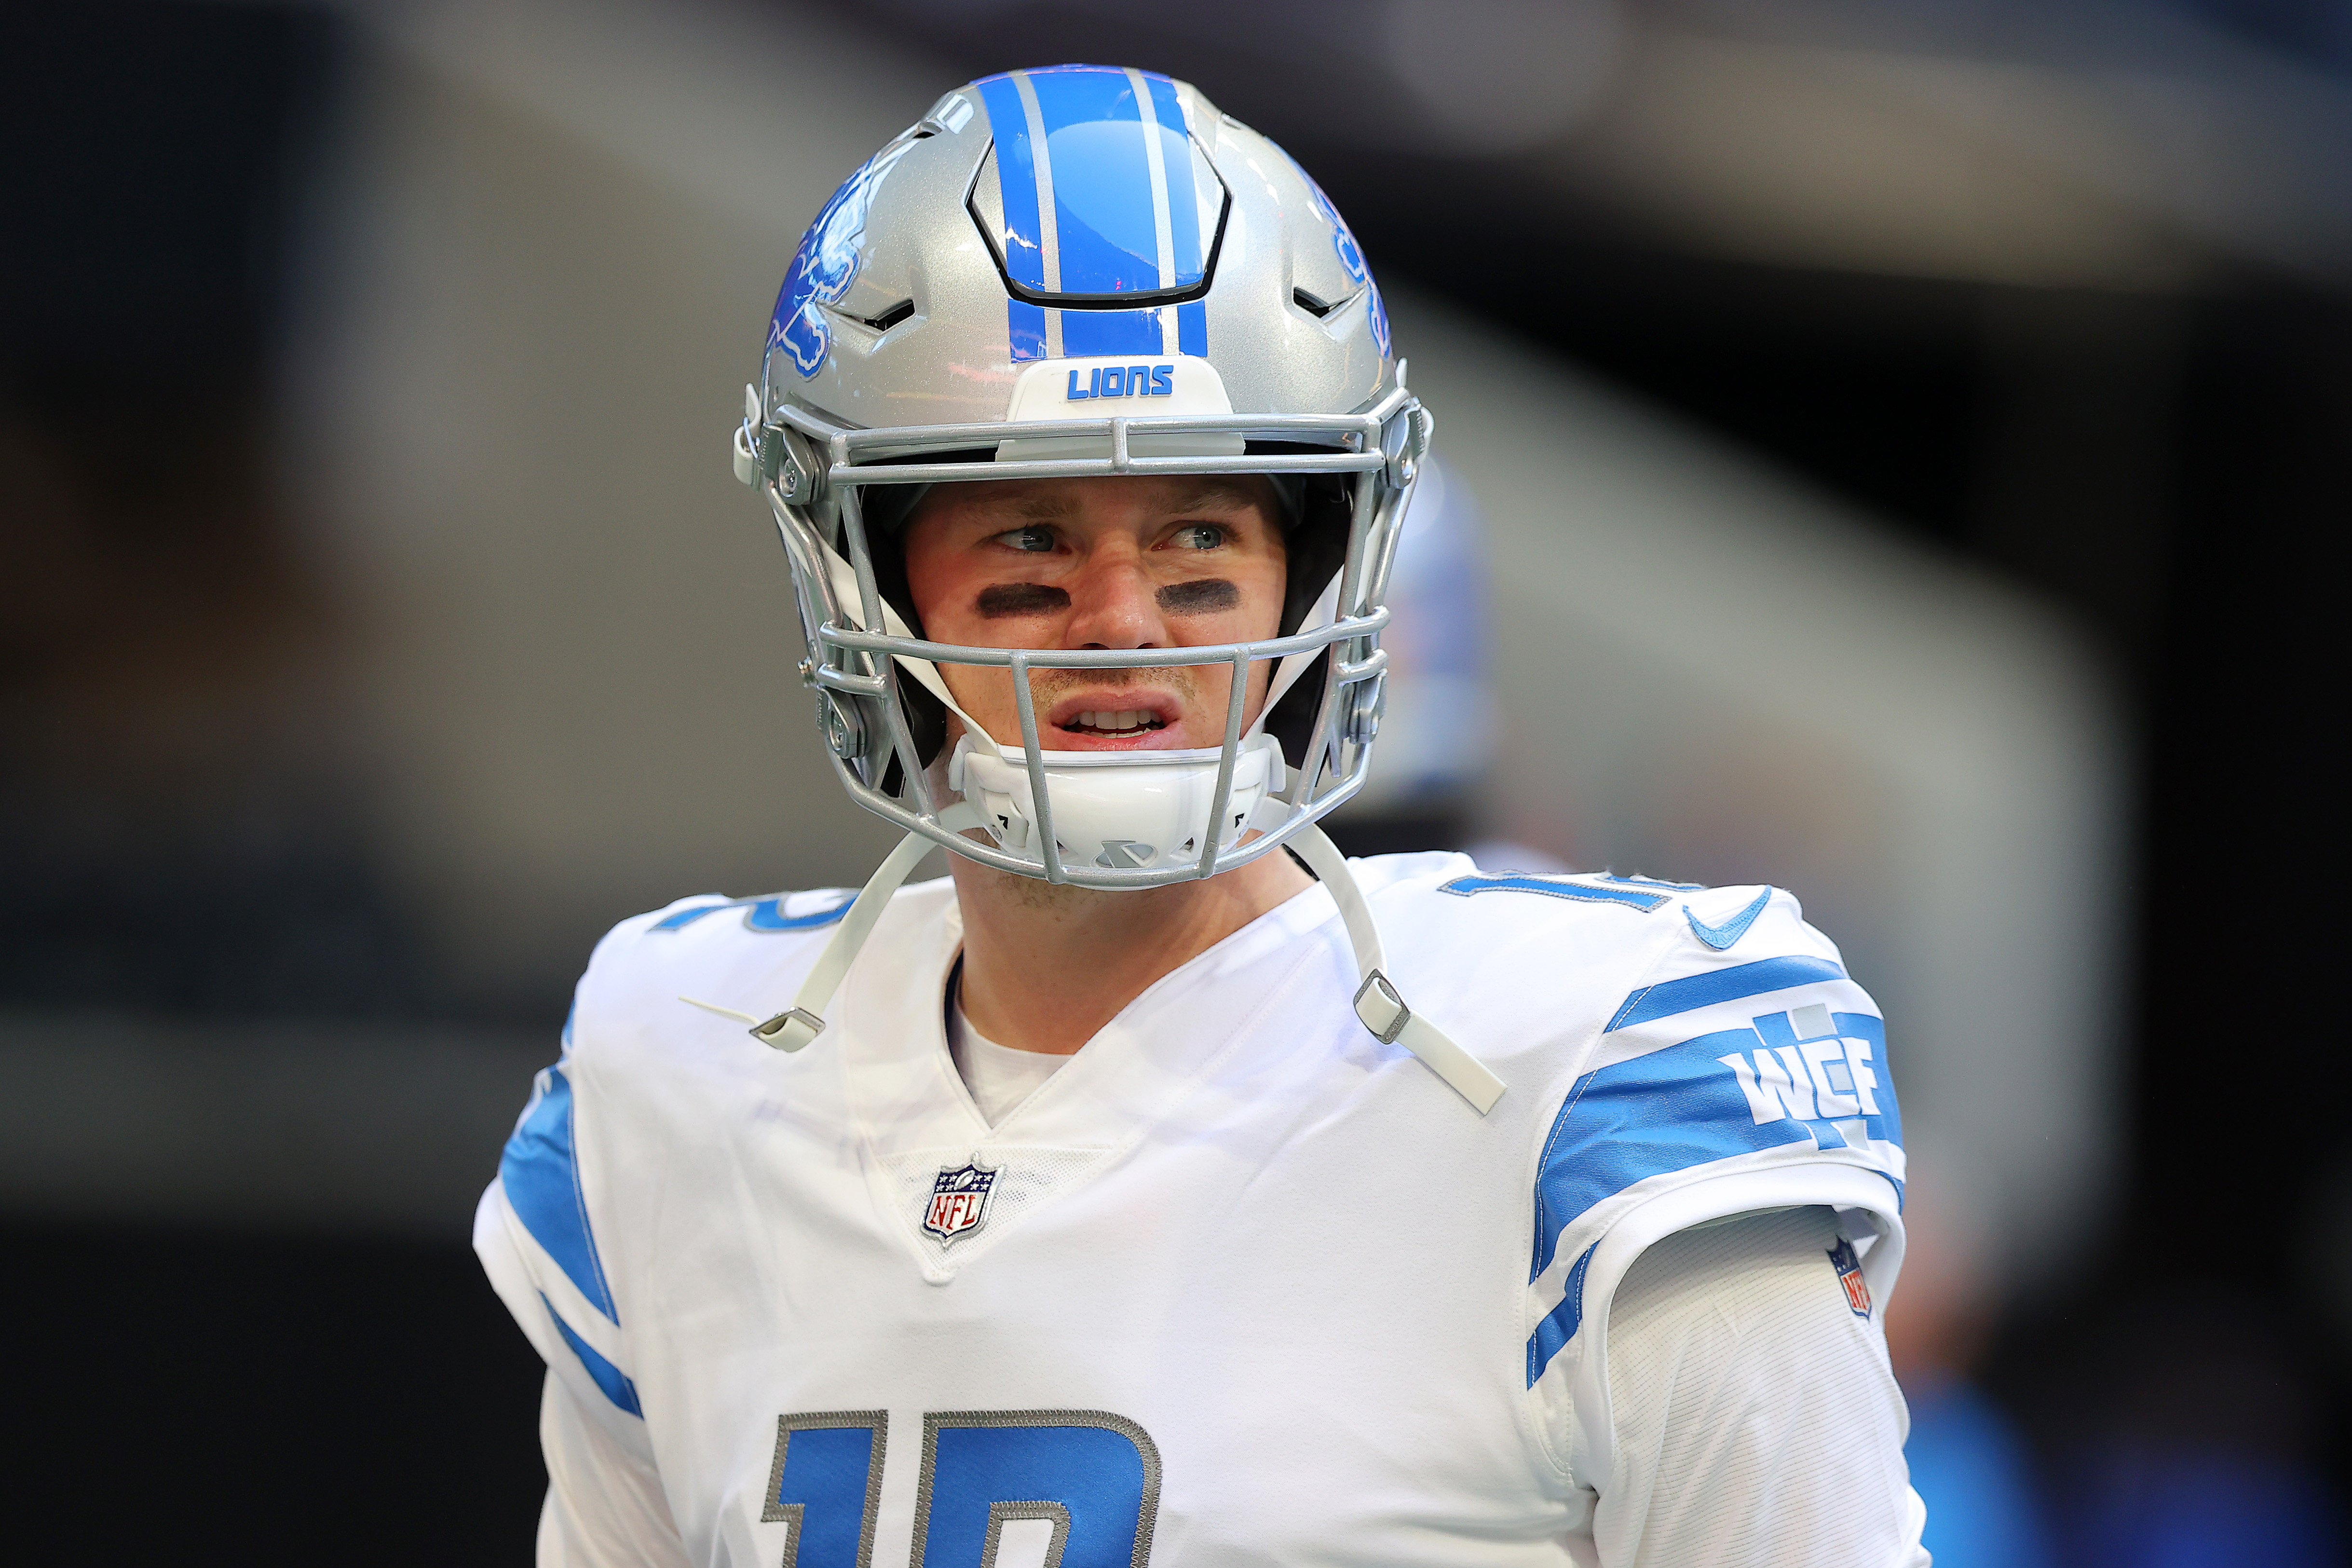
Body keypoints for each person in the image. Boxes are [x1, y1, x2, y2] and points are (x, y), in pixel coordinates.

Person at [477, 64, 1924, 1567]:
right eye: (1030, 544)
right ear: (866, 578)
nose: (1122, 623)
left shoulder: (1585, 1073)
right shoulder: (683, 1066)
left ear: (1317, 573)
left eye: (1198, 540)